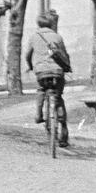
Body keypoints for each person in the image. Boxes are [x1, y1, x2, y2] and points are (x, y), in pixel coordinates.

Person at [25, 10, 72, 147]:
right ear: (51, 23)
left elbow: (28, 54)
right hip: (57, 71)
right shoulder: (57, 37)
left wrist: (30, 66)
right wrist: (67, 67)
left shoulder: (34, 37)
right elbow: (64, 54)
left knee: (41, 90)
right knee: (58, 96)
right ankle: (63, 132)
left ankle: (39, 115)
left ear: (38, 24)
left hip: (41, 72)